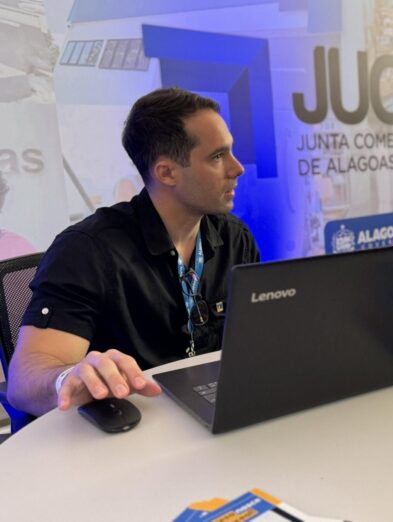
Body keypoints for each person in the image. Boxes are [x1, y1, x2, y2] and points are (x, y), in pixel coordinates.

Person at [8, 87, 260, 417]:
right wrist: (67, 378)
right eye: (217, 156)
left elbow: (254, 343)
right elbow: (24, 381)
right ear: (166, 172)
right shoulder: (87, 250)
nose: (237, 168)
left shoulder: (234, 237)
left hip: (211, 413)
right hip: (129, 426)